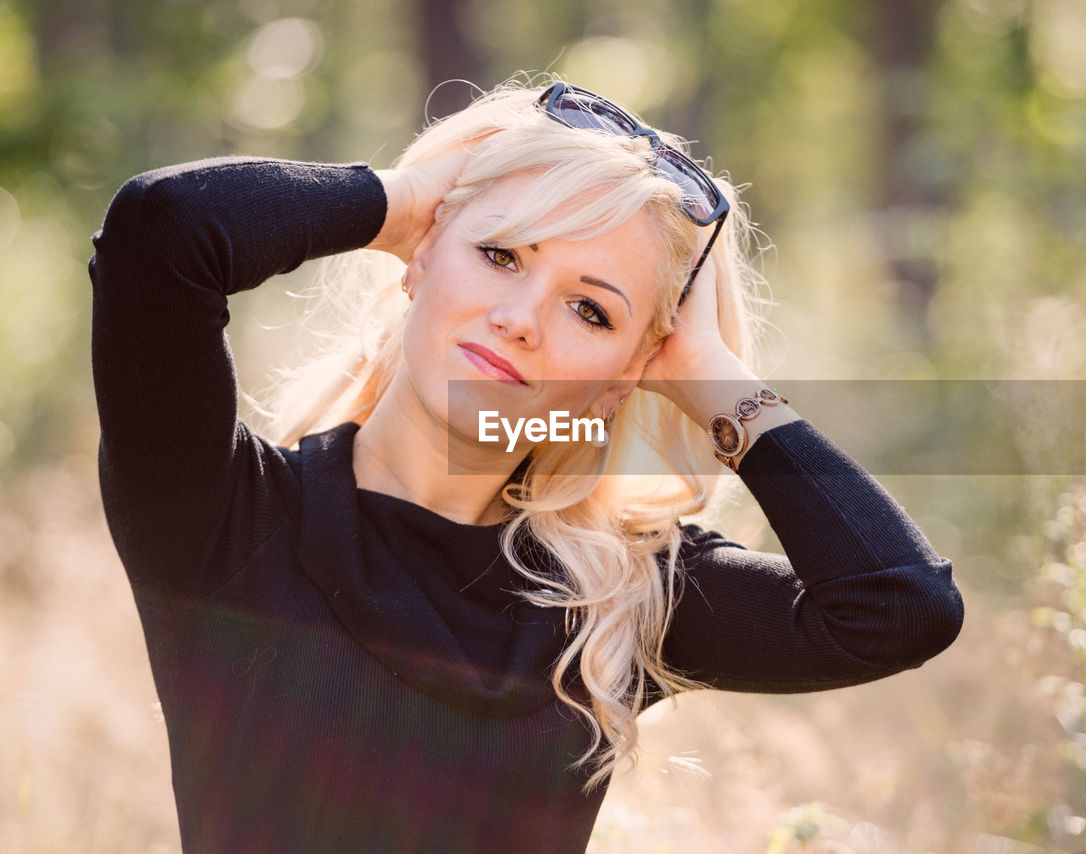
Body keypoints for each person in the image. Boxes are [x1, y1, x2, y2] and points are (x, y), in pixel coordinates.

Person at [89, 78, 964, 853]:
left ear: (626, 378)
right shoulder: (225, 520)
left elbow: (901, 607)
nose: (520, 318)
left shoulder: (613, 600)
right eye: (501, 255)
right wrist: (410, 201)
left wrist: (710, 378)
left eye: (590, 311)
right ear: (420, 255)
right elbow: (161, 233)